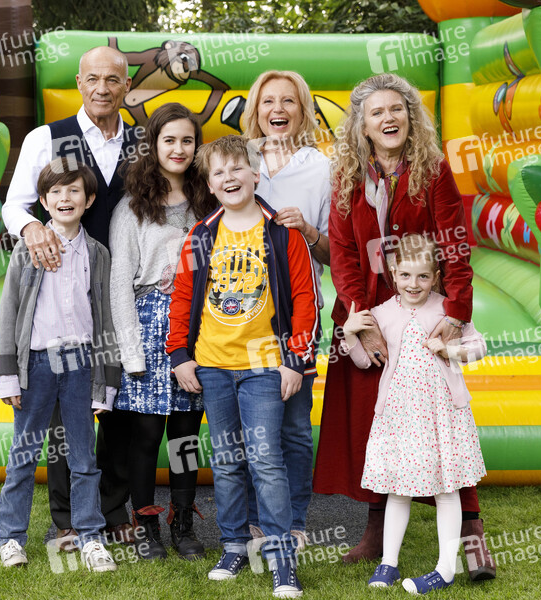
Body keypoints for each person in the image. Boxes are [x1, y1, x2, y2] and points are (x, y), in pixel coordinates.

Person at [313, 72, 496, 579]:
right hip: (370, 314)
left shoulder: (432, 170)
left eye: (397, 109)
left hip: (423, 309)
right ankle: (378, 530)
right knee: (373, 420)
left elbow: (454, 245)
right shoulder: (347, 175)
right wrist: (361, 318)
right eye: (377, 112)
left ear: (410, 117)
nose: (388, 118)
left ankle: (471, 533)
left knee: (442, 420)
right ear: (362, 125)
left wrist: (455, 313)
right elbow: (343, 252)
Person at [167, 135, 319, 599]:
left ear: (256, 174)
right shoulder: (201, 235)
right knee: (227, 461)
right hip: (213, 366)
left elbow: (305, 299)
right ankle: (233, 545)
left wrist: (295, 361)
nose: (229, 177)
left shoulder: (282, 233)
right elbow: (182, 297)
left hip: (265, 367)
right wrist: (180, 355)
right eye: (219, 172)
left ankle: (280, 556)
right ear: (210, 184)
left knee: (266, 458)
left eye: (238, 168)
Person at [2, 45, 139, 548]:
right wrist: (31, 230)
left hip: (125, 288)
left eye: (113, 79)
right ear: (79, 83)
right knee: (65, 414)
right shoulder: (45, 137)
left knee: (119, 400)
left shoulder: (142, 142)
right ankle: (65, 519)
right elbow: (14, 206)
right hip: (62, 283)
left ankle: (113, 509)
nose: (102, 88)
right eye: (93, 79)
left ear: (127, 87)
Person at [0, 159, 121, 572]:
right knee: (24, 454)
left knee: (83, 457)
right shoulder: (26, 250)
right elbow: (9, 313)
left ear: (89, 200)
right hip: (37, 364)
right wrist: (7, 375)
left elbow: (105, 317)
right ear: (44, 201)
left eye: (74, 190)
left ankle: (90, 537)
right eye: (56, 192)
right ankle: (11, 538)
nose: (65, 198)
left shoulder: (98, 254)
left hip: (81, 364)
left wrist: (106, 381)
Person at [342, 234, 486, 594]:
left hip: (441, 415)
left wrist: (449, 351)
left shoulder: (448, 311)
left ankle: (445, 568)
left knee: (447, 489)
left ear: (435, 277)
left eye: (423, 276)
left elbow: (479, 348)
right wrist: (349, 333)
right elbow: (363, 361)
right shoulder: (381, 314)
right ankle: (388, 563)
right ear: (393, 274)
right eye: (405, 275)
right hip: (399, 415)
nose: (413, 284)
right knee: (398, 490)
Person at [109, 103, 216, 561]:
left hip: (197, 327)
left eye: (187, 140)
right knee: (147, 435)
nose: (179, 148)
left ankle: (184, 525)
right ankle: (146, 526)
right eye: (169, 139)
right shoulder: (132, 207)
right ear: (153, 145)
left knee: (186, 436)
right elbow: (119, 284)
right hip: (149, 326)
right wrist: (131, 354)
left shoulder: (211, 200)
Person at [240, 70, 329, 547]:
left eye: (288, 101)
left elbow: (339, 252)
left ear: (302, 110)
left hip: (298, 314)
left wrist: (309, 233)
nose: (278, 109)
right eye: (268, 101)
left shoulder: (323, 168)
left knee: (293, 426)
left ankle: (294, 521)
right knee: (251, 427)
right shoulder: (237, 160)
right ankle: (254, 519)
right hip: (239, 316)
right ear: (255, 110)